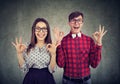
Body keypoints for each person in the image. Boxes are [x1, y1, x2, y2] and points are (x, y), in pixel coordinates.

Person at [54, 11, 107, 84]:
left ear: (82, 23)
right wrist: (58, 44)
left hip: (86, 81)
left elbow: (94, 64)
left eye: (79, 20)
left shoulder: (89, 40)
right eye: (73, 20)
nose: (76, 23)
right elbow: (60, 64)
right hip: (68, 81)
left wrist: (98, 44)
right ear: (69, 23)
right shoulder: (62, 41)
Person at [12, 18, 56, 84]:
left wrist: (53, 54)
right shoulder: (26, 46)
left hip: (47, 80)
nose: (41, 31)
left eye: (44, 29)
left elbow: (52, 70)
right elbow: (24, 68)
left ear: (48, 31)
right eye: (38, 28)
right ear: (34, 30)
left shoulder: (51, 47)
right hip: (30, 79)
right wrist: (19, 53)